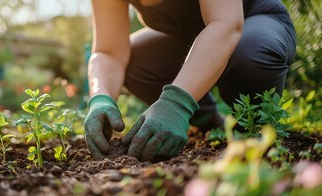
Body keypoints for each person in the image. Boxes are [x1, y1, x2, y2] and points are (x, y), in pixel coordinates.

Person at [84, 0, 297, 161]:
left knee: (252, 55)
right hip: (193, 36)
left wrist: (175, 103)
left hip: (253, 21)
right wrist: (101, 98)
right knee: (135, 61)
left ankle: (256, 130)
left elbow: (226, 24)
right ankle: (209, 122)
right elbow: (109, 51)